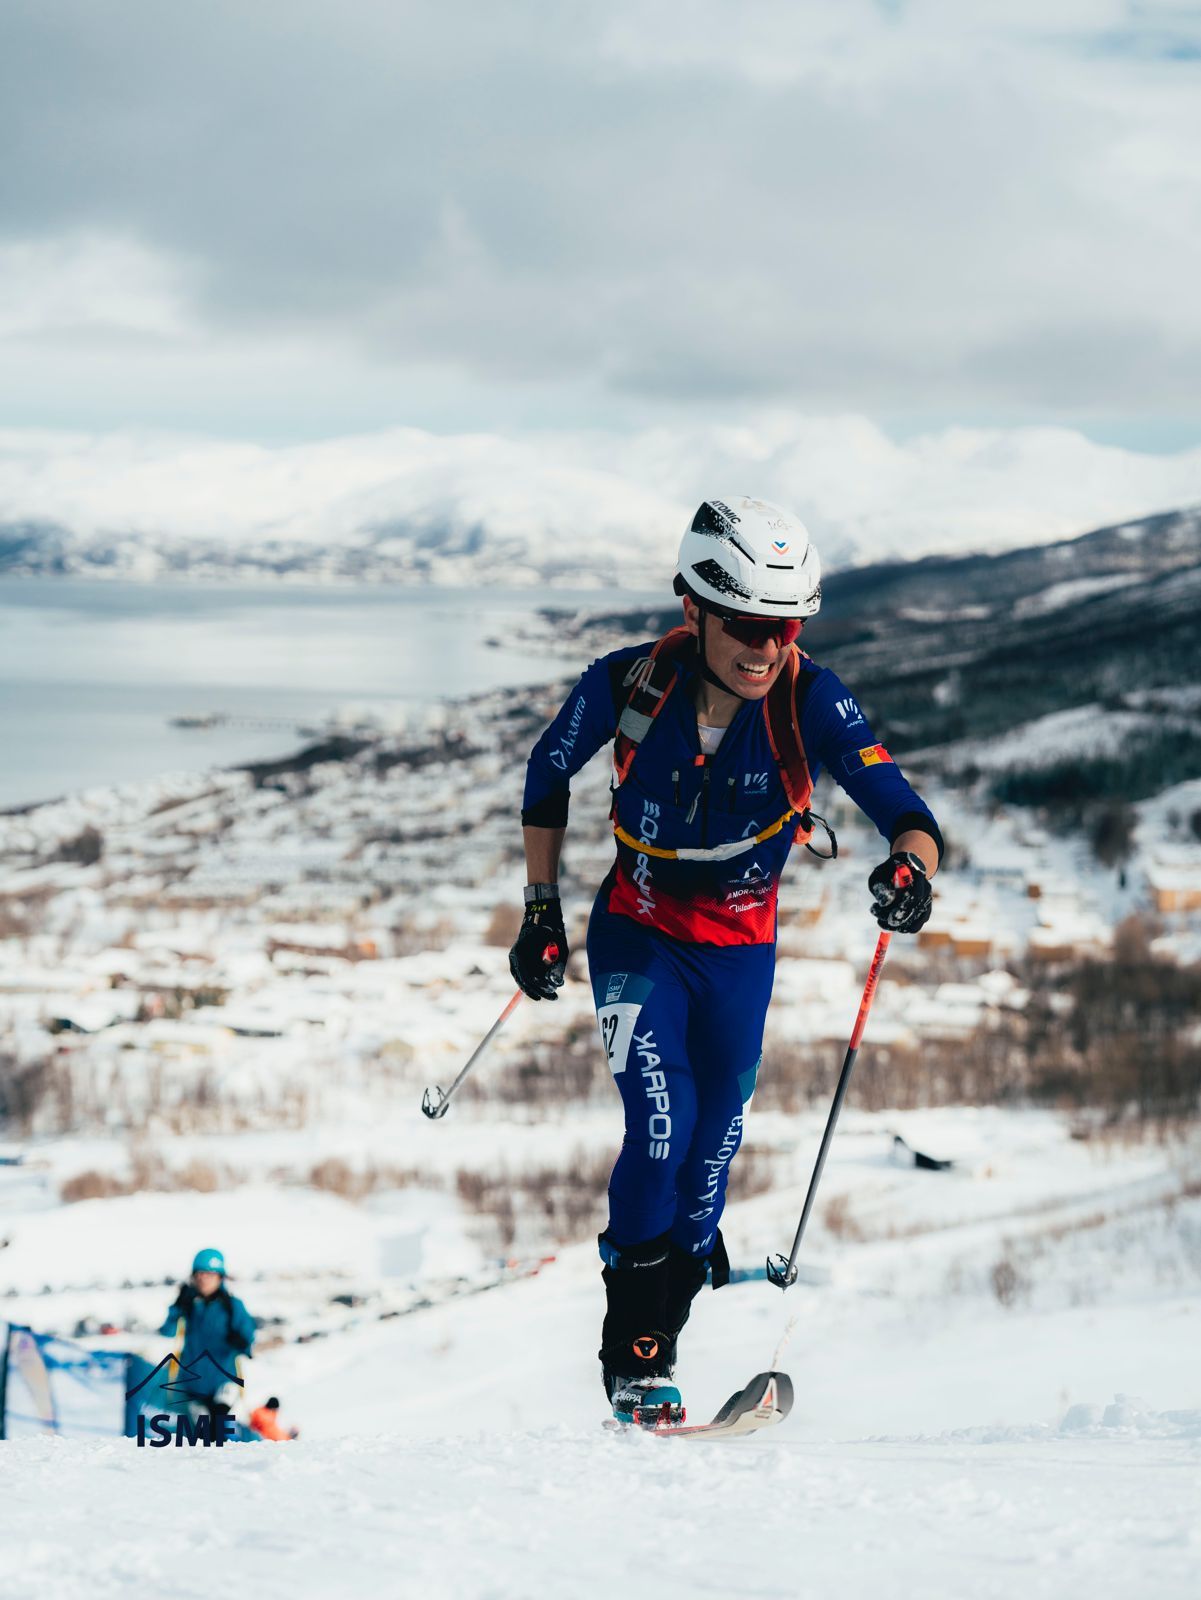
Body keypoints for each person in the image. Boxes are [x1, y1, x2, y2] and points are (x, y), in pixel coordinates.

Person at [510, 496, 942, 1425]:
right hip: (640, 935)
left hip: (741, 957)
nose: (765, 646)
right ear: (693, 607)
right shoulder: (625, 684)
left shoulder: (808, 698)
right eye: (746, 624)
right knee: (661, 1131)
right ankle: (636, 1361)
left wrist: (910, 865)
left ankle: (669, 1300)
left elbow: (902, 806)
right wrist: (539, 909)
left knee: (709, 1165)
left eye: (783, 626)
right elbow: (546, 775)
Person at [159, 1246, 256, 1429]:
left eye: (210, 1274)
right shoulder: (188, 1305)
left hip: (224, 1381)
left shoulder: (232, 1306)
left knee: (219, 1426)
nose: (204, 1279)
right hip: (192, 1385)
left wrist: (241, 1341)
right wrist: (177, 1306)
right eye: (200, 1274)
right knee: (203, 1437)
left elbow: (248, 1341)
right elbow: (167, 1332)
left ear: (220, 1277)